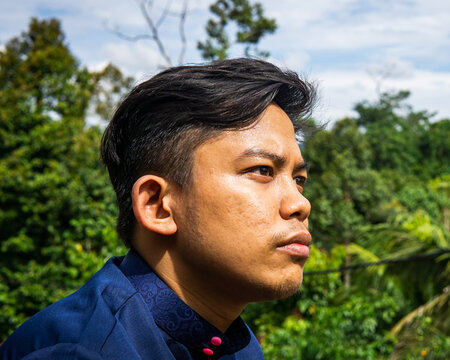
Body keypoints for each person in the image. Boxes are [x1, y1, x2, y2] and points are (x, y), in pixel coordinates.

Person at [1, 58, 316, 359]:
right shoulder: (82, 351)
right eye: (262, 170)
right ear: (157, 206)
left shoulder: (235, 344)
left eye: (299, 179)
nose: (300, 203)